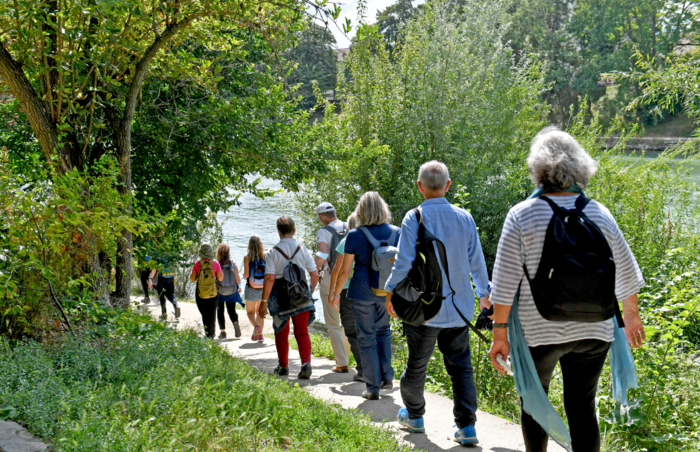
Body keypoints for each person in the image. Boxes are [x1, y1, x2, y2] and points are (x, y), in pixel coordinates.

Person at [488, 127, 646, 452]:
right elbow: (626, 274)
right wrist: (631, 319)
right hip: (596, 330)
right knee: (582, 407)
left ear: (537, 169)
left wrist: (499, 332)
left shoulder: (522, 215)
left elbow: (503, 284)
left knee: (535, 403)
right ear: (580, 168)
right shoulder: (600, 213)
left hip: (538, 331)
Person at [384, 161, 491, 446]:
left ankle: (415, 417)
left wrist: (389, 292)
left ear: (419, 186)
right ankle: (466, 427)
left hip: (425, 310)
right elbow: (477, 263)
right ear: (448, 185)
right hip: (460, 309)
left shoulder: (414, 217)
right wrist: (484, 298)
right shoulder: (464, 218)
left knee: (417, 365)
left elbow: (404, 262)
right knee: (461, 369)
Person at [333, 192, 399, 400]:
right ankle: (387, 376)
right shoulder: (397, 233)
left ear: (361, 211)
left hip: (362, 292)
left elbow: (345, 271)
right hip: (387, 292)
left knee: (366, 337)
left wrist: (335, 294)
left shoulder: (354, 235)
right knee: (384, 331)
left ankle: (372, 387)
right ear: (383, 209)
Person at [258, 215, 319, 379]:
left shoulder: (272, 253)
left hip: (280, 298)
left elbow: (270, 278)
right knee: (302, 331)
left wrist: (264, 302)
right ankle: (306, 364)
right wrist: (309, 294)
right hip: (301, 295)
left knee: (281, 331)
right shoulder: (303, 250)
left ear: (278, 232)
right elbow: (314, 275)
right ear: (294, 230)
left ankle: (283, 366)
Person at [314, 202, 352, 373]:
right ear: (334, 212)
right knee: (348, 320)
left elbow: (323, 254)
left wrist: (312, 267)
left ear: (322, 216)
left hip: (332, 277)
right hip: (351, 277)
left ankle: (342, 362)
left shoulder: (323, 231)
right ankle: (349, 356)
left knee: (333, 321)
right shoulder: (349, 226)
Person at [328, 212, 363, 382]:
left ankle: (363, 368)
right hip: (367, 290)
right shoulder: (368, 240)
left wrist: (333, 293)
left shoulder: (346, 241)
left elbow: (338, 270)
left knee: (351, 329)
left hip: (348, 290)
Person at [190, 243, 224, 339]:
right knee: (212, 312)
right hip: (213, 292)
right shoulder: (215, 263)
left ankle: (207, 334)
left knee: (204, 313)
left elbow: (192, 279)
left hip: (200, 292)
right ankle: (212, 334)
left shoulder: (197, 263)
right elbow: (221, 278)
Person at [215, 243, 243, 339]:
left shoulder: (216, 264)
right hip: (231, 291)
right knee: (232, 310)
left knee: (220, 311)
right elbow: (238, 280)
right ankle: (235, 323)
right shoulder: (233, 264)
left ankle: (223, 332)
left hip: (220, 292)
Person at [243, 236, 266, 342]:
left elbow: (246, 275)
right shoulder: (265, 256)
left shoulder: (247, 257)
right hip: (263, 288)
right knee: (259, 312)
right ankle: (260, 335)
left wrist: (243, 275)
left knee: (250, 312)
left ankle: (256, 327)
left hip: (251, 288)